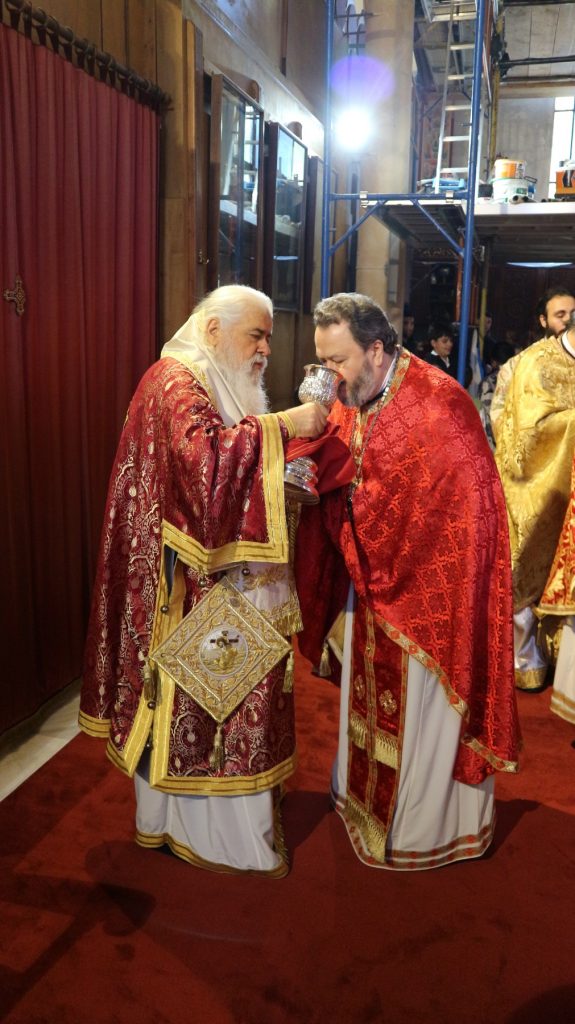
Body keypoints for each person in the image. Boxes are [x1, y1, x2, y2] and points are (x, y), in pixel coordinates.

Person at [79, 284, 329, 876]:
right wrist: (284, 425)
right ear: (214, 329)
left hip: (212, 575)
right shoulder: (176, 380)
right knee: (209, 700)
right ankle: (210, 833)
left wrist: (282, 475)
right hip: (187, 587)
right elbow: (205, 471)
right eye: (257, 336)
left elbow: (223, 467)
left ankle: (214, 824)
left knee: (229, 696)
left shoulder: (207, 377)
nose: (266, 349)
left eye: (269, 338)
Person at [295, 292, 520, 871]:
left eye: (338, 360)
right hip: (368, 586)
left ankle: (418, 830)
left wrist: (365, 510)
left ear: (376, 350)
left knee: (423, 720)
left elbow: (468, 514)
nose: (329, 375)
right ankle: (359, 801)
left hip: (431, 604)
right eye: (322, 360)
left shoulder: (440, 405)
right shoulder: (352, 394)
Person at [494, 286, 575, 691]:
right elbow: (514, 427)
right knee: (525, 564)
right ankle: (527, 660)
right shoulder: (527, 364)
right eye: (559, 314)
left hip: (570, 486)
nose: (567, 319)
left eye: (571, 312)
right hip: (535, 482)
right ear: (544, 320)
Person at [478, 340, 515, 449]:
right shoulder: (519, 379)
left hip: (493, 443)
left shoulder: (488, 382)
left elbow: (487, 413)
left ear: (493, 362)